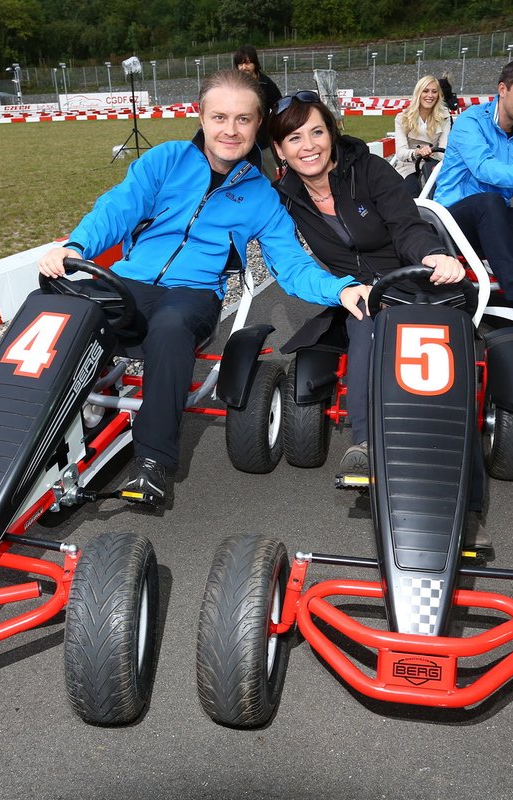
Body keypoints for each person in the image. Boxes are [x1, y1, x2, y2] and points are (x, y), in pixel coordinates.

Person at [38, 70, 370, 504]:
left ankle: (153, 463)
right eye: (219, 117)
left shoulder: (262, 197)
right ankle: (26, 427)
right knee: (49, 303)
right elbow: (118, 208)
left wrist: (342, 289)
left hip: (192, 295)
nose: (230, 130)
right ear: (201, 116)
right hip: (130, 282)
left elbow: (291, 265)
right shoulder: (165, 160)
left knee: (171, 327)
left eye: (243, 120)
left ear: (258, 125)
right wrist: (74, 246)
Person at [268, 91, 467, 474]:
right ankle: (364, 442)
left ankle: (445, 450)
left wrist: (432, 255)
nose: (308, 147)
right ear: (279, 150)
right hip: (360, 295)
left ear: (332, 133)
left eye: (317, 133)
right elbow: (289, 264)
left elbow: (408, 226)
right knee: (363, 318)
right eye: (294, 138)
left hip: (416, 285)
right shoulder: (284, 200)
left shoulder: (370, 170)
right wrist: (340, 288)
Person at [433, 58, 513, 324]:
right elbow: (484, 168)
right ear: (503, 89)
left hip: (493, 222)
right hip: (452, 221)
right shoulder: (471, 121)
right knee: (490, 203)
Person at [391, 75, 453, 195]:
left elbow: (443, 150)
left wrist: (433, 152)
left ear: (438, 95)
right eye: (425, 91)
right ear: (418, 93)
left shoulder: (445, 116)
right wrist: (417, 152)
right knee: (411, 191)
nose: (430, 95)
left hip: (434, 166)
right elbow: (400, 152)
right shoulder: (402, 118)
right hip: (409, 167)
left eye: (434, 92)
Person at [233, 45, 282, 177]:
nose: (244, 67)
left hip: (263, 141)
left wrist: (271, 126)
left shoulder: (267, 84)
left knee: (270, 177)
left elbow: (280, 106)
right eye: (240, 64)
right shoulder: (234, 85)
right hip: (239, 140)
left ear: (255, 63)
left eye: (247, 63)